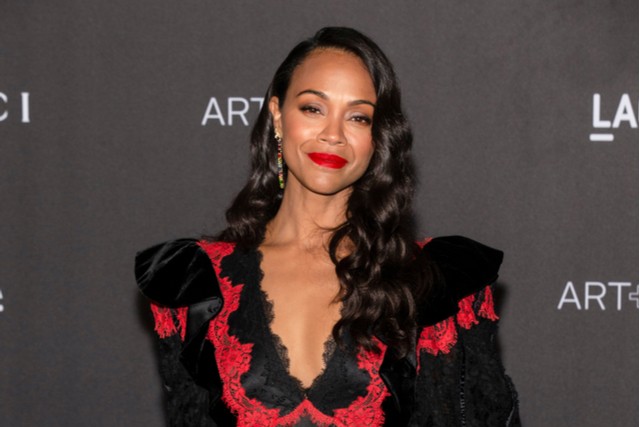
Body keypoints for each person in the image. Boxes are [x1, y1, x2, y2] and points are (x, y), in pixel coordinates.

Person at [135, 27, 519, 427]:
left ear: (378, 138)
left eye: (358, 117)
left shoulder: (431, 281)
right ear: (277, 116)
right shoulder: (195, 282)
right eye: (313, 109)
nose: (333, 135)